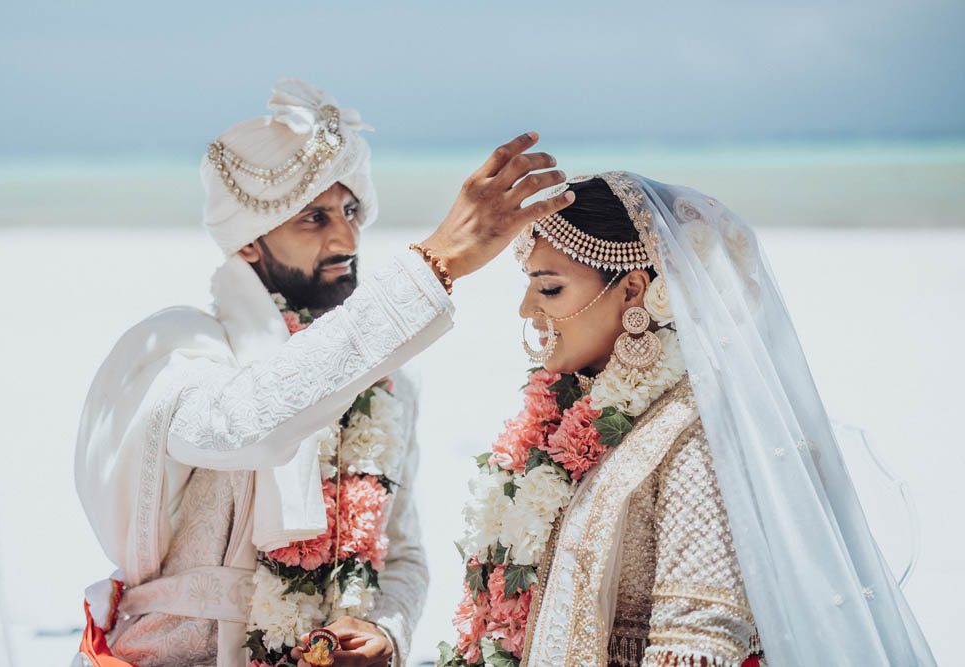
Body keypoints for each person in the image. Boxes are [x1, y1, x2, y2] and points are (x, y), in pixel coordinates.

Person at [73, 77, 573, 667]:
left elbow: (403, 555)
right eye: (313, 217)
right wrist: (433, 265)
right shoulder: (182, 349)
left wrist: (383, 632)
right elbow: (245, 424)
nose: (346, 236)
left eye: (351, 210)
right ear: (251, 243)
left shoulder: (386, 380)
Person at [443, 173, 936, 666]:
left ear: (634, 289)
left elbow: (699, 639)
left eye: (549, 288)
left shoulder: (695, 437)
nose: (526, 309)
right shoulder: (561, 416)